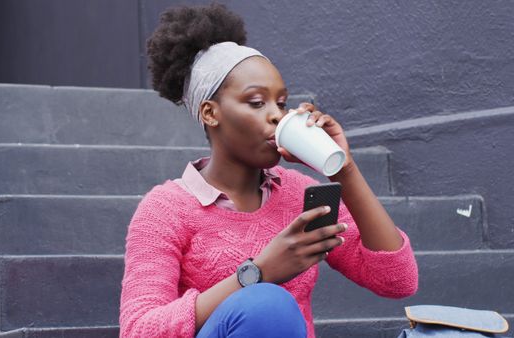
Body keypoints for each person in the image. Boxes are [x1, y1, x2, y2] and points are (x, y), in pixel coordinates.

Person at [119, 3, 418, 338]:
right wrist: (257, 273)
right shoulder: (165, 209)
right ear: (210, 113)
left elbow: (397, 281)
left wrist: (343, 170)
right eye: (257, 102)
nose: (277, 115)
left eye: (282, 102)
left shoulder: (298, 194)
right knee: (265, 305)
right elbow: (139, 330)